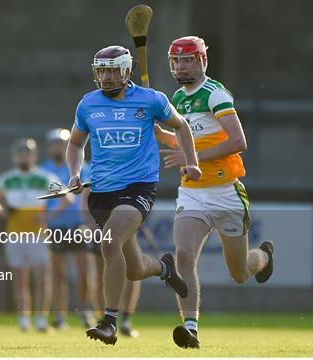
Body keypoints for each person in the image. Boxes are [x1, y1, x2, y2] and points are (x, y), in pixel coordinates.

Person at [66, 45, 201, 345]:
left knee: (110, 243)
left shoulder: (152, 100)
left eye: (113, 70)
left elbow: (181, 127)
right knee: (136, 269)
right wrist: (75, 174)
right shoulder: (88, 104)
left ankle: (109, 321)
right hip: (100, 192)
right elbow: (76, 144)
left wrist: (191, 161)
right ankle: (164, 268)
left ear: (127, 70)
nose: (107, 76)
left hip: (138, 188)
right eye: (102, 70)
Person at [155, 36, 274, 349]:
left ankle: (263, 257)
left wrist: (189, 158)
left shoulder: (215, 94)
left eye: (188, 60)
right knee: (183, 255)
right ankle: (191, 328)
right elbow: (188, 140)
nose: (181, 67)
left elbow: (238, 142)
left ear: (202, 61)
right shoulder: (178, 98)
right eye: (177, 61)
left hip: (226, 192)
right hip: (193, 193)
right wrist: (162, 134)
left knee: (239, 273)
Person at [0, 138, 64, 332]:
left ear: (34, 155)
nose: (23, 156)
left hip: (38, 234)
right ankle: (23, 318)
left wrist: (50, 215)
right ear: (14, 156)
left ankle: (41, 319)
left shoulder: (44, 177)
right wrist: (1, 212)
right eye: (20, 153)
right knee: (20, 278)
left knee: (42, 277)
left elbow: (65, 196)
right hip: (15, 234)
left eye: (27, 153)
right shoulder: (7, 178)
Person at [40, 128, 97, 330]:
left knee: (84, 271)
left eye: (62, 143)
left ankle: (85, 311)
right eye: (54, 144)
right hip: (55, 227)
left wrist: (89, 220)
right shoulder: (43, 170)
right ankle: (60, 316)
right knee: (58, 274)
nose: (58, 147)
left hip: (78, 224)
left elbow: (88, 196)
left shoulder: (82, 167)